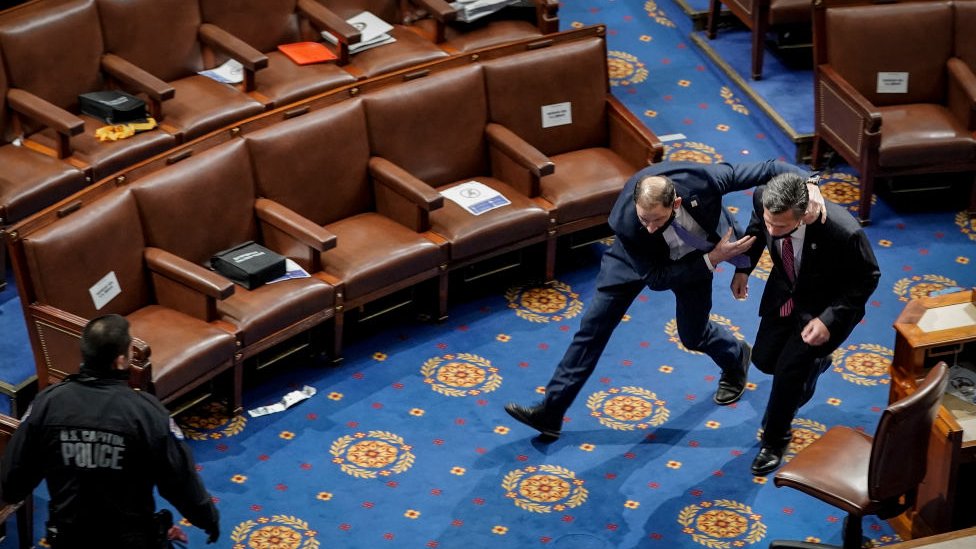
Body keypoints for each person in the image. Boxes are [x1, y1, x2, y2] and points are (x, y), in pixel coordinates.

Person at [505, 160, 818, 440]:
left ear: (676, 202)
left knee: (692, 335)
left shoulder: (702, 180)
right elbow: (656, 279)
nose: (651, 226)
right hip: (638, 261)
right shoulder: (629, 223)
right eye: (645, 219)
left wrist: (809, 183)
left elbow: (766, 169)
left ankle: (735, 356)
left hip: (695, 256)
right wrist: (713, 259)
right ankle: (552, 411)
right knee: (593, 328)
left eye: (657, 219)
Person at [0, 314, 220, 548]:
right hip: (130, 539)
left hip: (69, 538)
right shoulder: (146, 413)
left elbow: (13, 479)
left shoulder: (46, 404)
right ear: (120, 361)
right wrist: (207, 518)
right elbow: (179, 479)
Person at [733, 172, 880, 475]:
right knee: (763, 359)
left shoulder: (843, 231)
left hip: (822, 307)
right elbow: (758, 230)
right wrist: (744, 269)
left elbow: (867, 278)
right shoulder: (765, 198)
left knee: (787, 376)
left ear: (804, 216)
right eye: (769, 221)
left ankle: (775, 439)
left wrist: (829, 319)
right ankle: (816, 365)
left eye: (782, 226)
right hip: (784, 292)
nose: (773, 230)